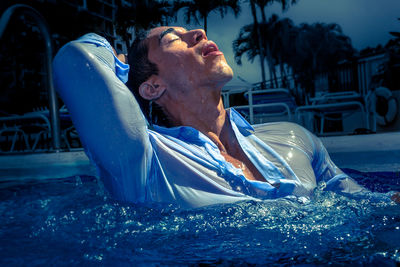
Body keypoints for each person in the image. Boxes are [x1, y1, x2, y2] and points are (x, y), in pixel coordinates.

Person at [53, 27, 399, 208]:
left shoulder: (294, 137)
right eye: (173, 38)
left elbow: (363, 202)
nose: (199, 33)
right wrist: (124, 63)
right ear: (152, 86)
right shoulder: (144, 160)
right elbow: (75, 59)